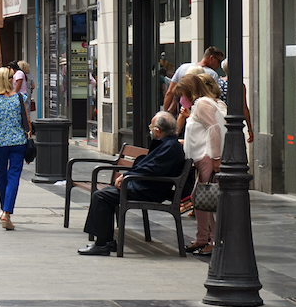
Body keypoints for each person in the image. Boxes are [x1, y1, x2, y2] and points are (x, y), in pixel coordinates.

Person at [78, 112, 186, 255]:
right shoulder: (167, 144)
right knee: (103, 195)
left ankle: (102, 244)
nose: (150, 130)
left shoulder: (170, 147)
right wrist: (126, 177)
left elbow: (151, 169)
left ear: (157, 130)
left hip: (150, 190)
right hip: (145, 185)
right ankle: (106, 242)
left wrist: (126, 177)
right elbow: (148, 167)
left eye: (151, 127)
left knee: (101, 196)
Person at [175, 74, 227, 256]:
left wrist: (216, 158)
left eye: (182, 93)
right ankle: (203, 237)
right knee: (199, 198)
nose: (181, 98)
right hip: (202, 158)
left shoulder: (203, 104)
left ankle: (212, 240)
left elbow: (214, 129)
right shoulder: (200, 104)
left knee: (205, 199)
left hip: (206, 157)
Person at [0, 67, 31, 230]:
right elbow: (27, 122)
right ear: (8, 80)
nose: (12, 80)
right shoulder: (19, 97)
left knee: (1, 176)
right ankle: (6, 212)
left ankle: (4, 210)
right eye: (11, 77)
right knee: (14, 176)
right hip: (18, 143)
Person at [163, 46, 224, 114]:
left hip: (182, 110)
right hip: (201, 112)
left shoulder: (183, 67)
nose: (219, 65)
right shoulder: (212, 74)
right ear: (211, 58)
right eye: (219, 61)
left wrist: (165, 113)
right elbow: (213, 95)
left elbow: (170, 92)